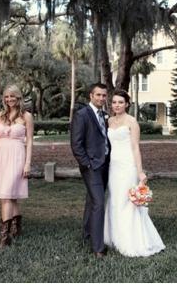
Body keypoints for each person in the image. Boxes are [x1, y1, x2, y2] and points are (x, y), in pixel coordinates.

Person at [103, 90, 165, 257]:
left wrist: (140, 171)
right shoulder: (109, 121)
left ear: (127, 104)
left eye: (120, 102)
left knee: (127, 202)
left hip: (128, 165)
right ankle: (115, 237)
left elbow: (136, 148)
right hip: (113, 167)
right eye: (114, 102)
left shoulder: (132, 122)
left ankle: (130, 241)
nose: (116, 105)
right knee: (115, 201)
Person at [0, 85, 33, 249]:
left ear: (19, 97)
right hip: (0, 156)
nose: (9, 99)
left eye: (12, 96)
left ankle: (4, 236)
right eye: (6, 97)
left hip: (17, 156)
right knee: (8, 195)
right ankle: (16, 227)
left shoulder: (26, 116)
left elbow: (29, 141)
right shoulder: (0, 115)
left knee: (6, 195)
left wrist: (27, 163)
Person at [70, 83, 111, 258]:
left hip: (106, 165)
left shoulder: (104, 115)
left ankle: (87, 233)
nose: (101, 98)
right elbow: (76, 144)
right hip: (92, 166)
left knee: (92, 200)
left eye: (104, 95)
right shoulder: (82, 114)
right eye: (98, 95)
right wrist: (87, 164)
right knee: (99, 203)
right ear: (91, 96)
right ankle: (98, 248)